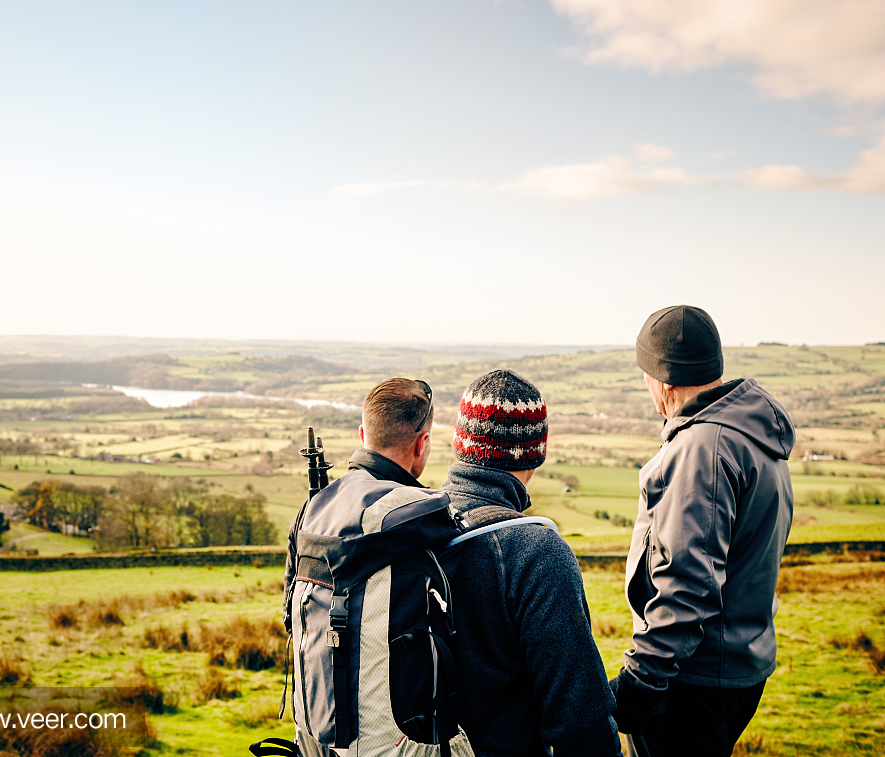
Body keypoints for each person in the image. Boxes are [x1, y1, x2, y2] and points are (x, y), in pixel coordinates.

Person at [611, 305, 795, 757]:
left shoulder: (702, 449)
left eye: (646, 374)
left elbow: (687, 580)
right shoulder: (751, 432)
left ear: (665, 378)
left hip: (691, 680)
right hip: (737, 666)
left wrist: (643, 681)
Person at [441, 369, 622, 757]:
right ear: (534, 455)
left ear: (461, 443)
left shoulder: (411, 525)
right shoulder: (535, 550)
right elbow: (579, 717)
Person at [282, 376, 433, 625]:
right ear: (422, 443)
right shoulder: (423, 514)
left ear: (363, 435)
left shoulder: (313, 508)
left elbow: (291, 616)